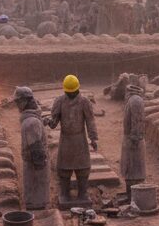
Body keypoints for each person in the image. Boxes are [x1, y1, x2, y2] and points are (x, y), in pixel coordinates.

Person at [47, 75, 98, 204]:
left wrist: (93, 138)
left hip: (80, 139)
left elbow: (90, 121)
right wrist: (49, 121)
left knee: (83, 169)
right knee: (64, 169)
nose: (70, 95)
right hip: (66, 140)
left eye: (73, 92)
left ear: (77, 90)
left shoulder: (84, 102)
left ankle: (83, 194)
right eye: (68, 93)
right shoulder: (59, 101)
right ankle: (64, 194)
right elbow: (54, 123)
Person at [14, 87, 50, 210]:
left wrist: (40, 168)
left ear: (25, 102)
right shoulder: (32, 120)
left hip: (34, 167)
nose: (17, 105)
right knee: (37, 193)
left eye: (18, 102)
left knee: (36, 196)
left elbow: (37, 150)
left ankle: (36, 208)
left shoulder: (30, 122)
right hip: (35, 165)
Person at [120, 82, 147, 199]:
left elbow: (137, 122)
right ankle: (130, 195)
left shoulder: (135, 100)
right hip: (130, 140)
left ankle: (134, 197)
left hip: (133, 142)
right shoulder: (132, 100)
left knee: (134, 171)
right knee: (130, 171)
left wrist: (135, 139)